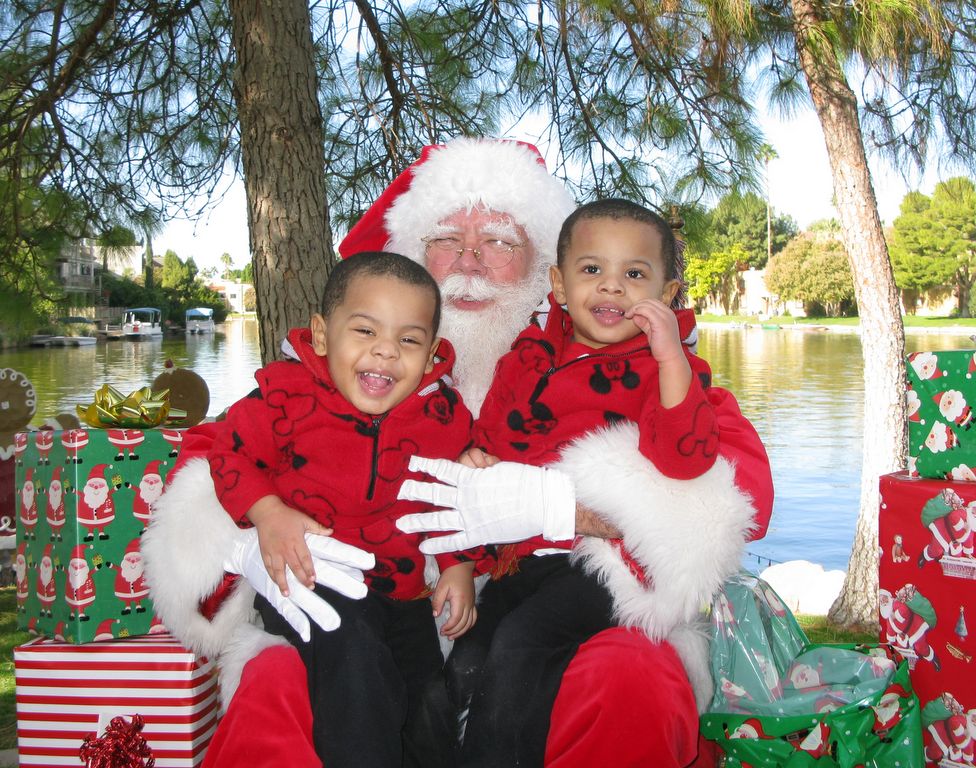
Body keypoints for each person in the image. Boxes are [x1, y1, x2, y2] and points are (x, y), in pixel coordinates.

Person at [143, 137, 774, 767]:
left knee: (630, 676)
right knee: (280, 686)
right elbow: (211, 458)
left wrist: (559, 503)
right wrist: (250, 539)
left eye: (500, 241)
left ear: (543, 270)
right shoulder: (329, 374)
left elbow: (738, 492)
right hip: (369, 620)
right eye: (446, 239)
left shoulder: (633, 366)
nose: (469, 260)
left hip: (559, 613)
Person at [417, 197, 740, 766]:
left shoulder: (665, 372)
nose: (611, 288)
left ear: (666, 294)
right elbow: (487, 452)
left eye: (634, 275)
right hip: (523, 559)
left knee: (522, 646)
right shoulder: (525, 360)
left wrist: (671, 364)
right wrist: (463, 553)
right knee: (467, 659)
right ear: (559, 284)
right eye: (592, 270)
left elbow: (688, 461)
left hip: (604, 564)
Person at [206, 252, 478, 766]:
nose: (385, 352)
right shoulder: (285, 396)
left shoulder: (442, 416)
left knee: (427, 702)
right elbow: (228, 453)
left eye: (409, 340)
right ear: (323, 333)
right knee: (356, 675)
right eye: (365, 330)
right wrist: (268, 512)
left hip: (402, 591)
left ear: (432, 352)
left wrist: (460, 564)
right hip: (312, 580)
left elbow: (455, 496)